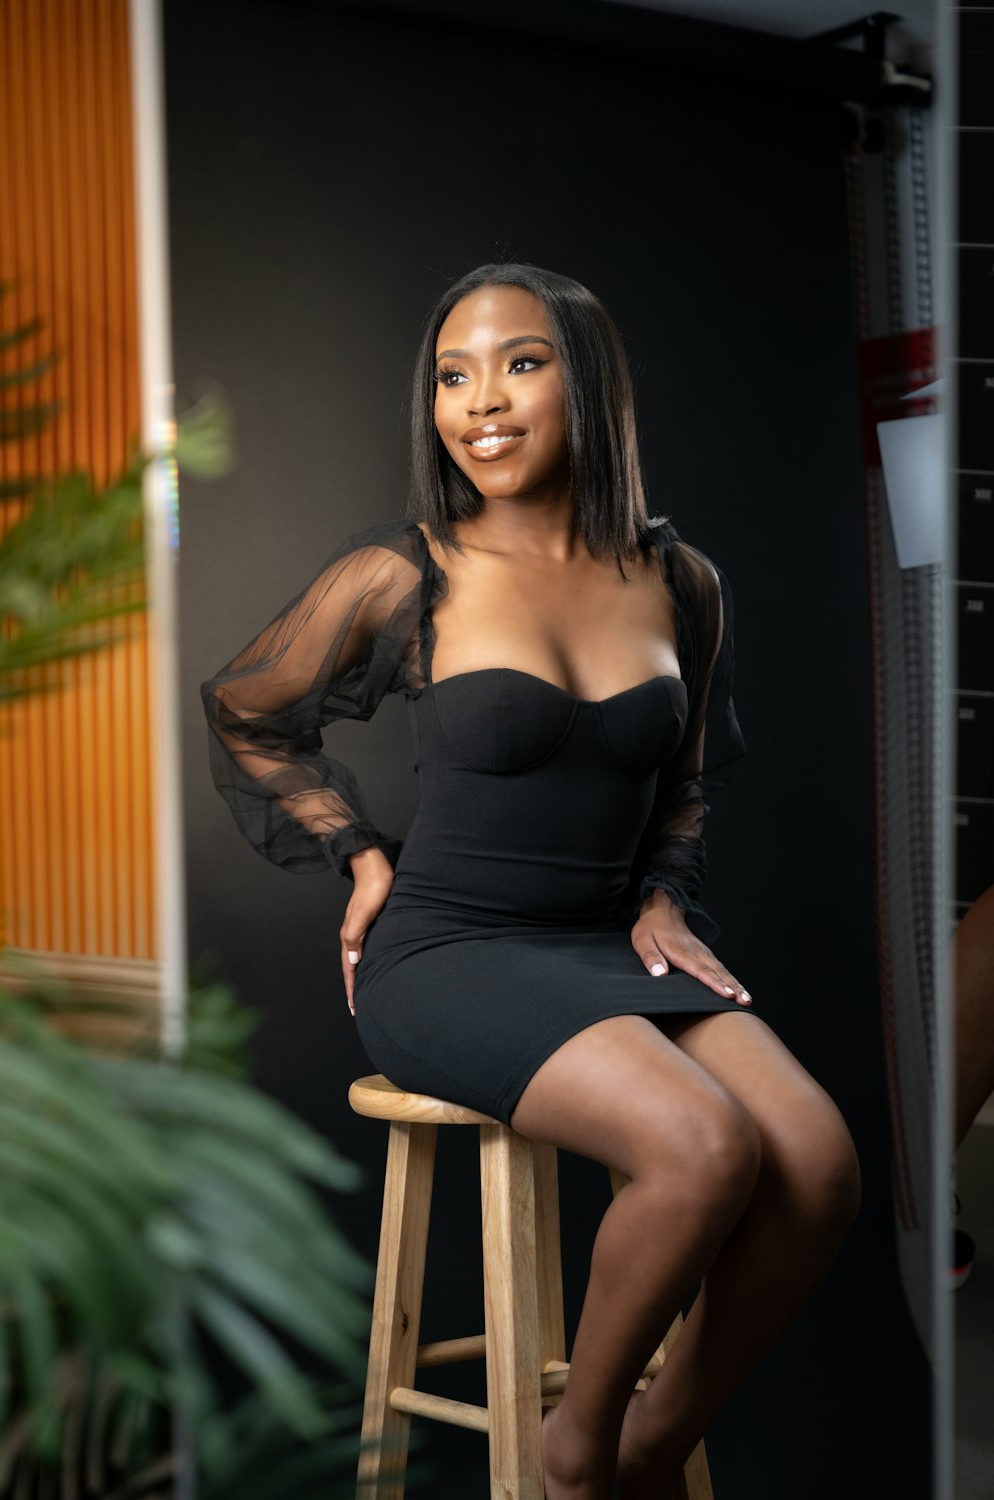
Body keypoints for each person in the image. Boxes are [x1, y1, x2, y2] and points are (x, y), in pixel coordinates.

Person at [200, 262, 862, 1500]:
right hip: (449, 953)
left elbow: (685, 780)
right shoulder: (407, 575)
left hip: (616, 941)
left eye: (519, 362)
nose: (480, 403)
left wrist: (665, 887)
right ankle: (577, 1454)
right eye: (453, 375)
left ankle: (655, 1443)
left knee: (820, 1166)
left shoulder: (681, 583)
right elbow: (247, 712)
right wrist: (360, 851)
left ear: (588, 380)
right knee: (701, 1147)